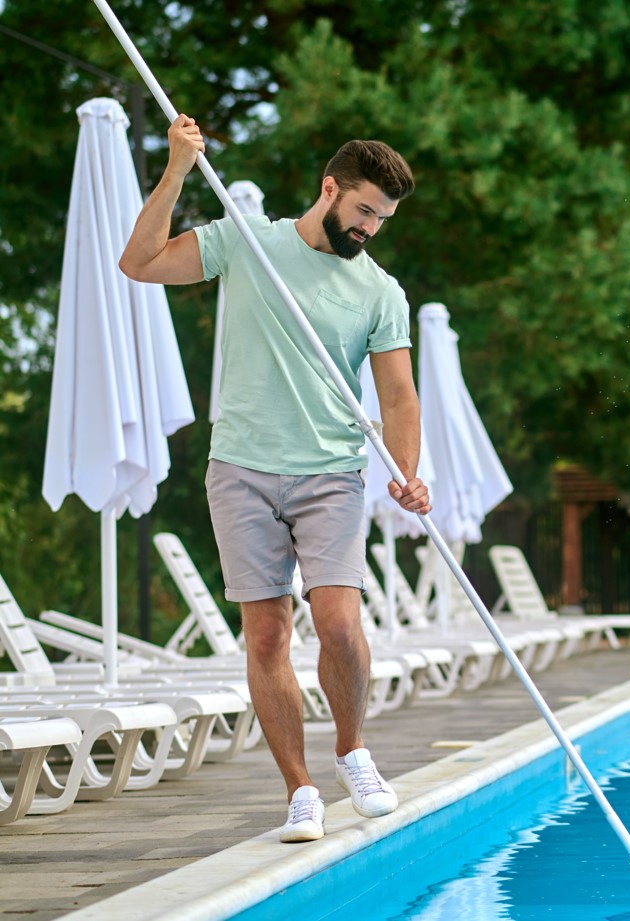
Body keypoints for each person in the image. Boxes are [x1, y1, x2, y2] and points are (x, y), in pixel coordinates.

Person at [120, 115, 431, 843]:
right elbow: (139, 263)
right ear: (330, 188)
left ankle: (352, 748)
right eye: (363, 211)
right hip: (242, 469)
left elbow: (398, 398)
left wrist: (407, 473)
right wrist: (176, 173)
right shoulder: (246, 240)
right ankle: (300, 791)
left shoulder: (381, 292)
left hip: (331, 470)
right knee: (265, 637)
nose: (370, 229)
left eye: (382, 219)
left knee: (340, 623)